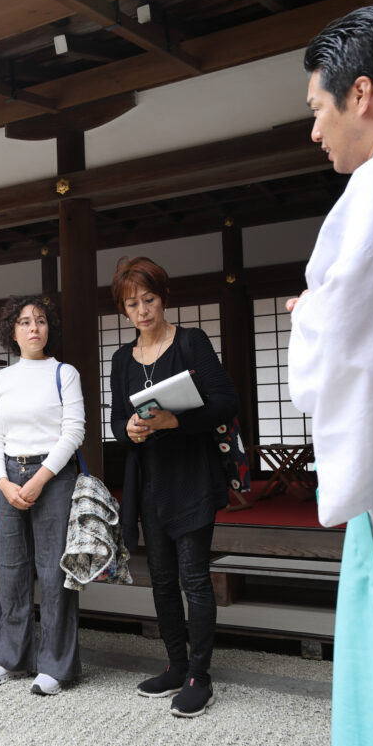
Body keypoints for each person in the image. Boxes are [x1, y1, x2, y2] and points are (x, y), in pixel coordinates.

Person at [287, 7, 373, 746]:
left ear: (363, 95)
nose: (314, 131)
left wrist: (307, 313)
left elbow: (332, 354)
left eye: (319, 109)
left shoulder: (370, 197)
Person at [110, 257, 238, 718]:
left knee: (195, 580)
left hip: (191, 476)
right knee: (162, 581)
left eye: (149, 299)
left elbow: (226, 400)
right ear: (123, 311)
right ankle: (176, 665)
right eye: (132, 304)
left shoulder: (190, 342)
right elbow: (115, 424)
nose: (142, 310)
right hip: (149, 482)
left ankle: (199, 677)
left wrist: (175, 420)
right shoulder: (122, 358)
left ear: (163, 298)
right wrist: (132, 429)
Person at [0, 296, 85, 696]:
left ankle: (56, 665)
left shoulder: (64, 373)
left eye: (40, 321)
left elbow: (74, 431)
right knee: (11, 568)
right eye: (24, 322)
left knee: (54, 571)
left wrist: (39, 478)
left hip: (53, 475)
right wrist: (3, 483)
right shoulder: (3, 379)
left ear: (49, 328)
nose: (33, 328)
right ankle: (9, 657)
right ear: (12, 332)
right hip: (9, 475)